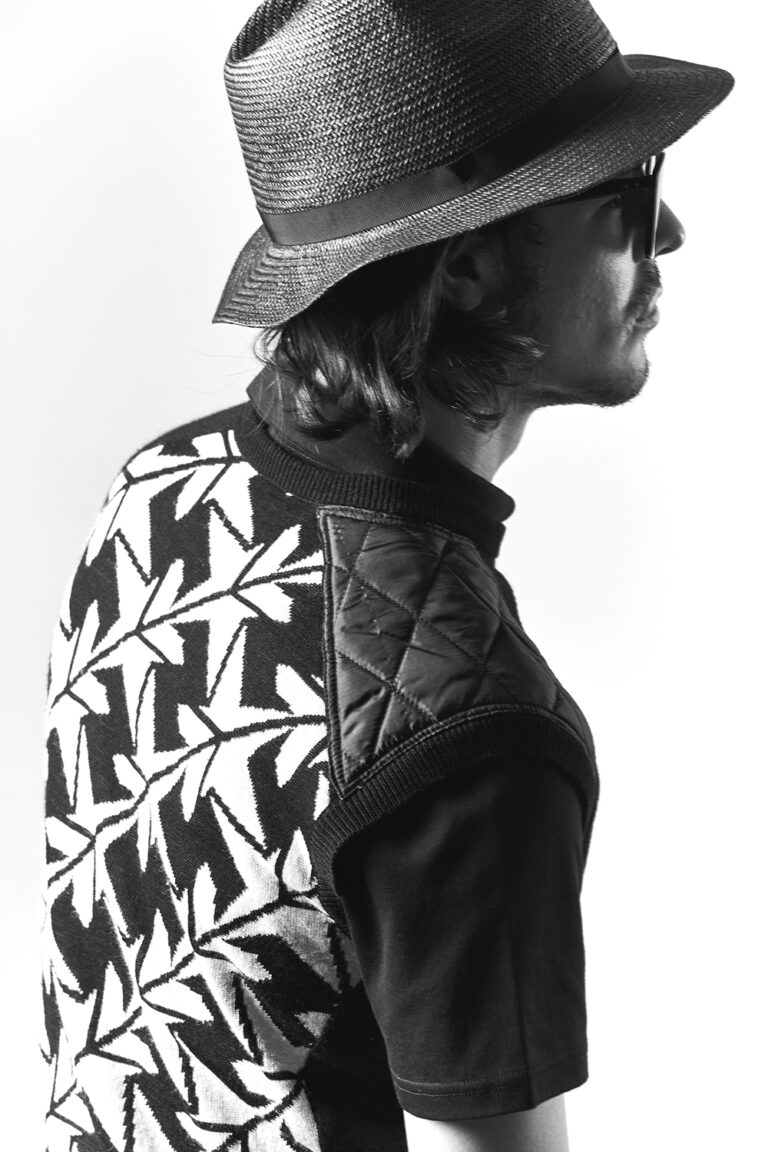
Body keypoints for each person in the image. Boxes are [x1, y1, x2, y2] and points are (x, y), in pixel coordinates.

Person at [40, 1, 733, 1150]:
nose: (670, 235)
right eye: (630, 193)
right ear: (470, 270)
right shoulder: (471, 739)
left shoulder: (156, 492)